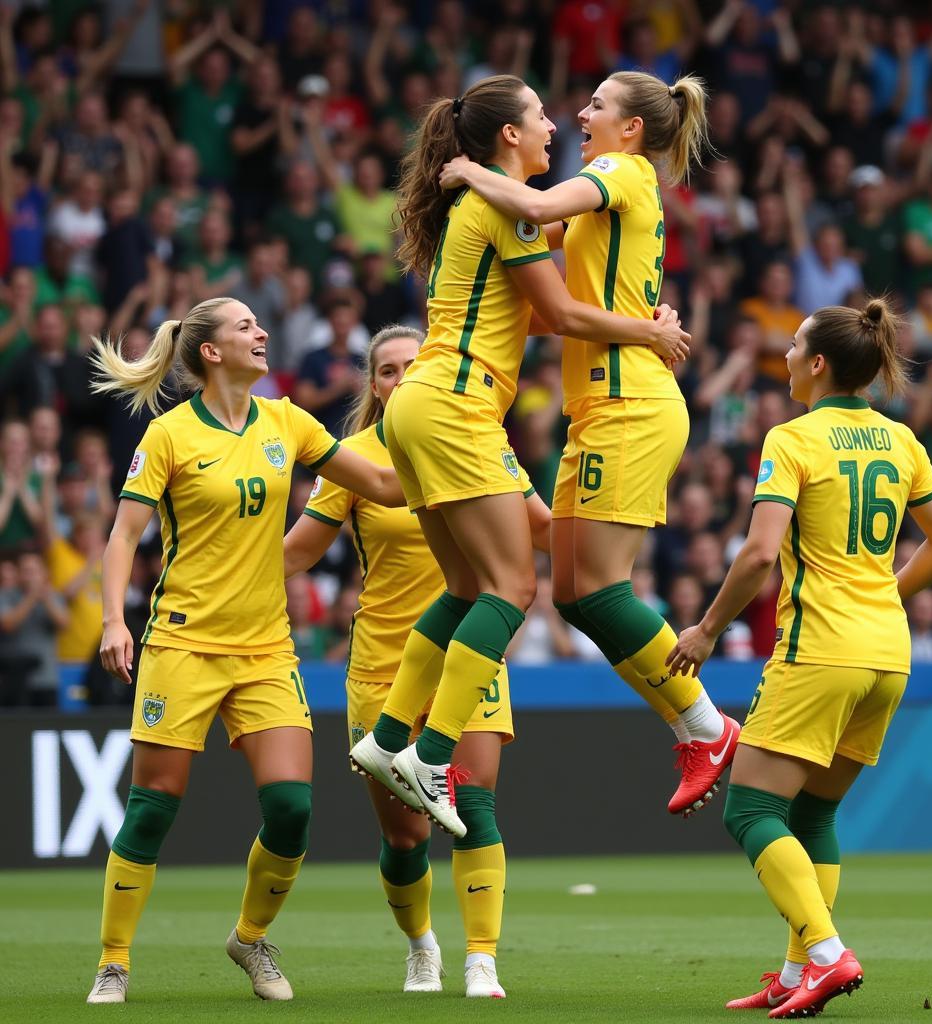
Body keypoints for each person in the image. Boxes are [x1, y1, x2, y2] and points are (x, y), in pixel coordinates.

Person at [349, 74, 690, 837]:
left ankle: (388, 736)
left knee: (470, 586)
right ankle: (429, 754)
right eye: (540, 116)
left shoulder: (489, 211)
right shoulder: (506, 206)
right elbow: (566, 311)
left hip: (420, 404)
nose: (556, 125)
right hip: (458, 406)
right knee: (514, 589)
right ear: (509, 137)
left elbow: (534, 317)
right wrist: (653, 334)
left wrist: (638, 313)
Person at [83, 296, 405, 1005]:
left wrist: (451, 454)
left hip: (265, 647)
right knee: (152, 807)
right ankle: (113, 961)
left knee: (292, 807)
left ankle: (251, 937)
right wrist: (114, 620)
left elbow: (380, 482)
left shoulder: (287, 419)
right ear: (211, 352)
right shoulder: (168, 435)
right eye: (245, 326)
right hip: (184, 642)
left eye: (261, 323)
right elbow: (122, 536)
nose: (263, 333)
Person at [438, 71, 740, 816]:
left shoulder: (615, 171)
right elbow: (556, 308)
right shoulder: (617, 192)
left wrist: (469, 169)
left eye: (598, 105)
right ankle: (694, 725)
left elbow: (535, 206)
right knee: (572, 592)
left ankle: (706, 724)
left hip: (630, 405)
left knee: (599, 589)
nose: (580, 112)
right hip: (601, 407)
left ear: (630, 128)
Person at [667, 297, 932, 1018]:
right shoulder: (901, 440)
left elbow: (761, 552)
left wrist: (706, 628)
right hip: (888, 653)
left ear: (820, 363)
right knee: (815, 818)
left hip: (821, 649)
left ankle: (828, 955)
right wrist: (887, 590)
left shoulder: (792, 438)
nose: (788, 357)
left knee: (750, 809)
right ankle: (798, 969)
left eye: (796, 348)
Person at [286, 324, 550, 999]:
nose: (401, 379)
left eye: (412, 365)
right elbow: (298, 552)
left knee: (473, 806)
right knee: (405, 838)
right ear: (373, 385)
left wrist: (607, 508)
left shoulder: (481, 441)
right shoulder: (358, 460)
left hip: (470, 659)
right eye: (387, 370)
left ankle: (482, 960)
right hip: (383, 666)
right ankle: (421, 946)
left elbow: (543, 527)